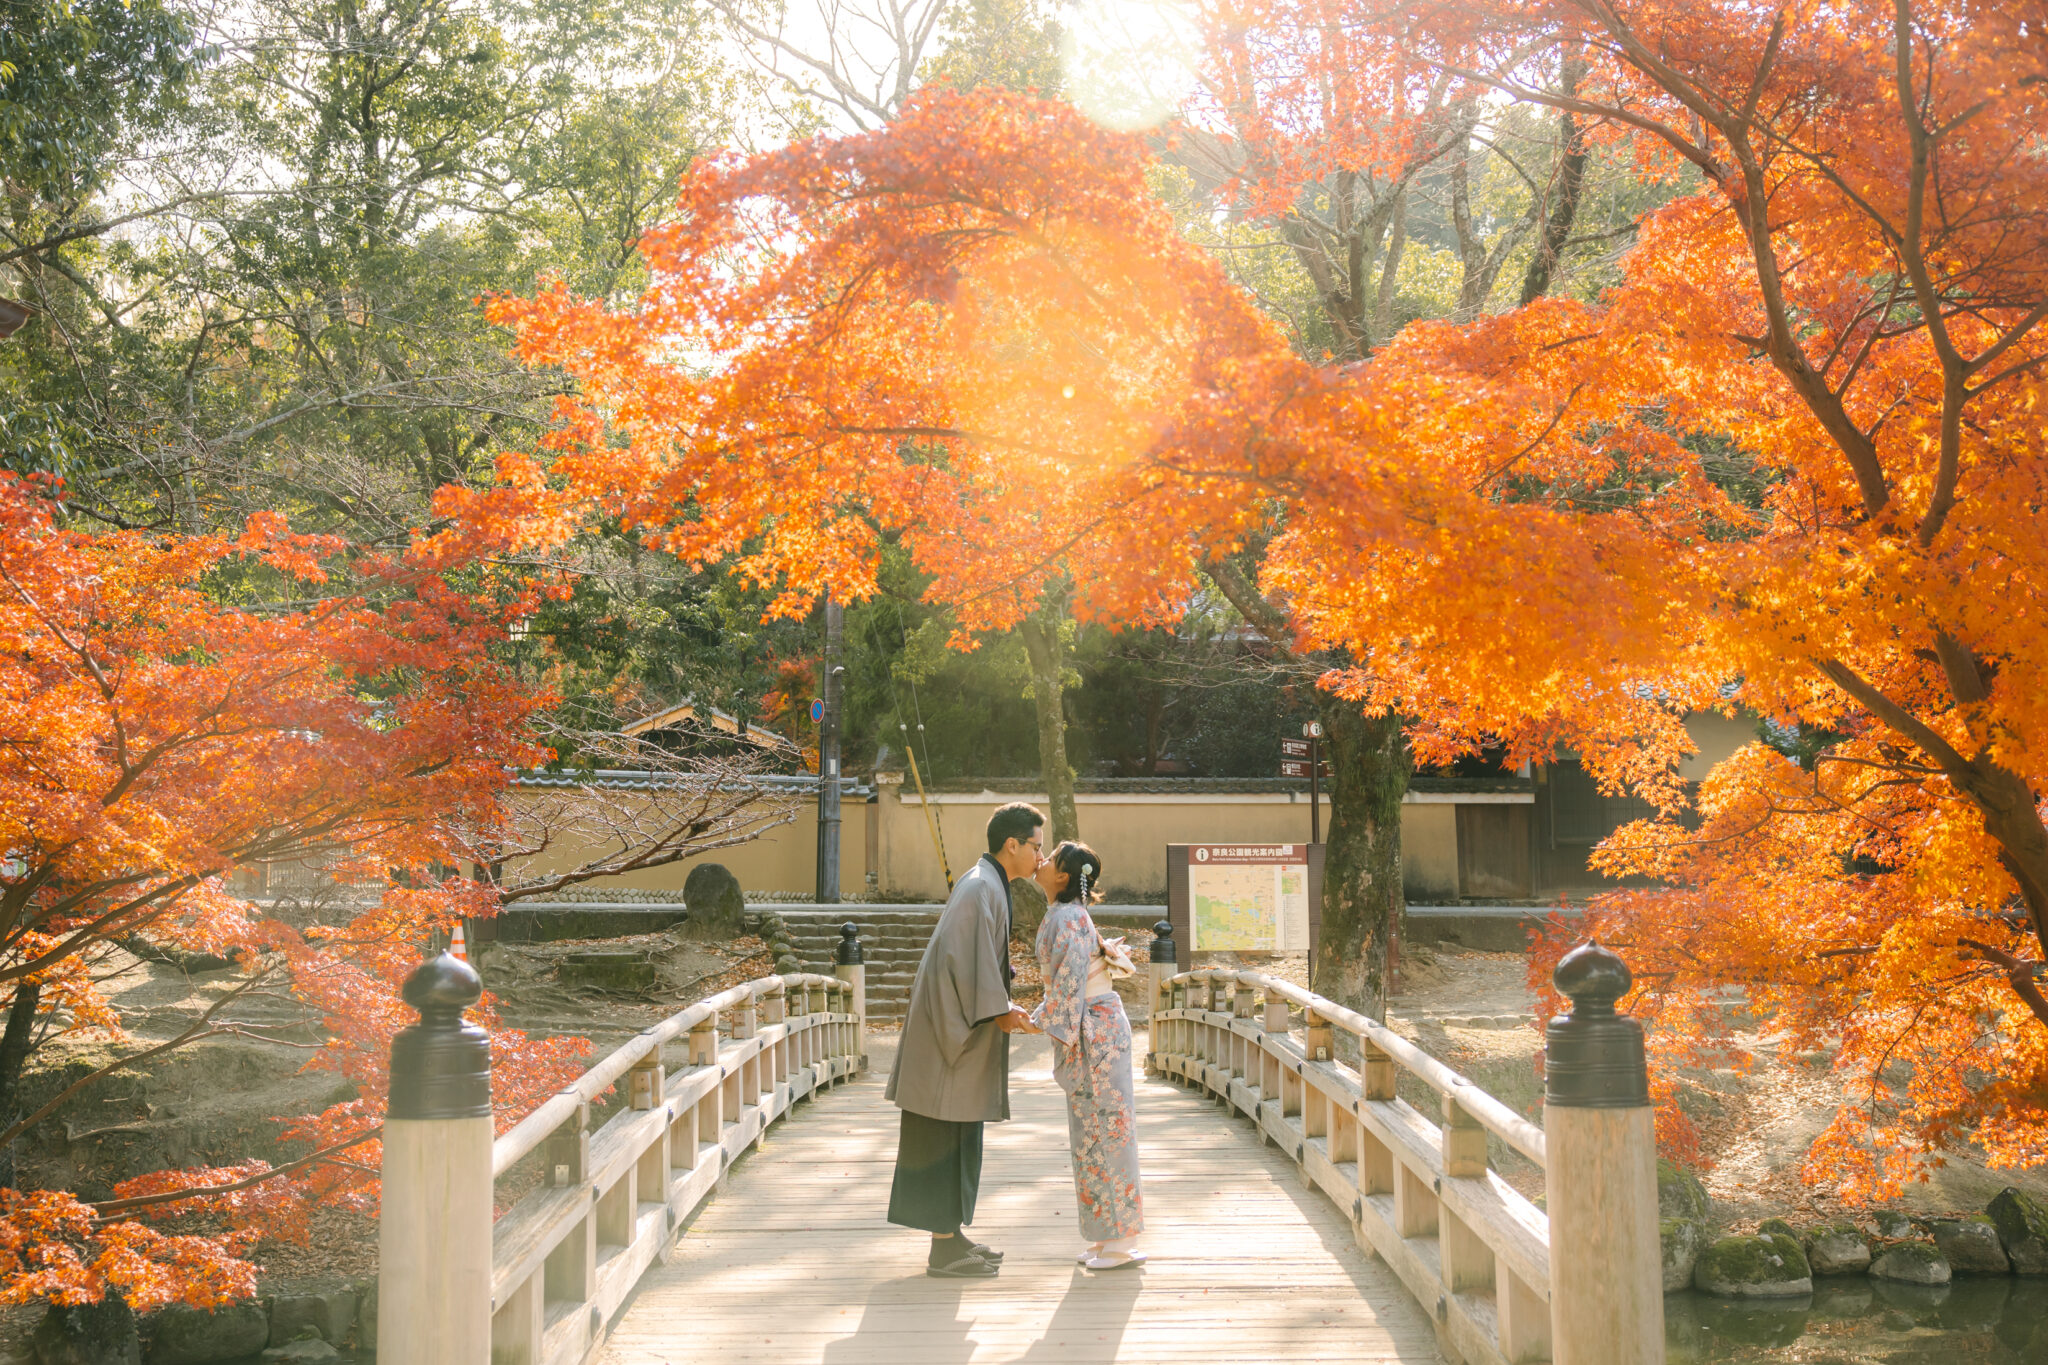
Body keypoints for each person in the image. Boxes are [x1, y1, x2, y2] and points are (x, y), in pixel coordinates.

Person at [886, 801, 1044, 1278]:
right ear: (1011, 844)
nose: (1041, 856)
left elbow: (974, 955)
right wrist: (998, 1009)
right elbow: (965, 961)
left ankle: (951, 1236)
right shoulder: (980, 888)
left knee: (958, 1134)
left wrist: (1000, 986)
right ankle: (943, 1248)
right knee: (943, 1135)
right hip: (949, 1037)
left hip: (954, 1030)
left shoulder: (986, 883)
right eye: (1036, 846)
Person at [1031, 840, 1146, 1270]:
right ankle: (1103, 1234)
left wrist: (1038, 1019)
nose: (1040, 861)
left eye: (1050, 858)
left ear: (1062, 875)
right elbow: (1067, 983)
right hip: (1090, 1022)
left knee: (1109, 1128)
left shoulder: (1070, 917)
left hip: (1094, 1026)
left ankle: (1121, 1241)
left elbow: (1069, 985)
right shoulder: (1066, 916)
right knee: (1089, 1132)